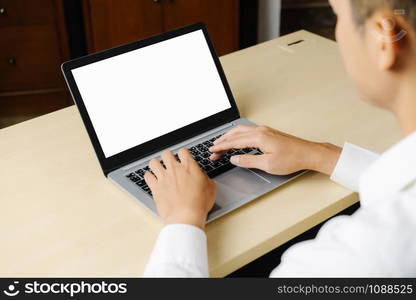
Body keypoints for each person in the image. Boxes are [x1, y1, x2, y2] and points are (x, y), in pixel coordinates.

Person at [143, 0, 416, 277]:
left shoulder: (359, 260)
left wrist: (183, 218)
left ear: (384, 39)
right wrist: (319, 154)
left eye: (338, 16)